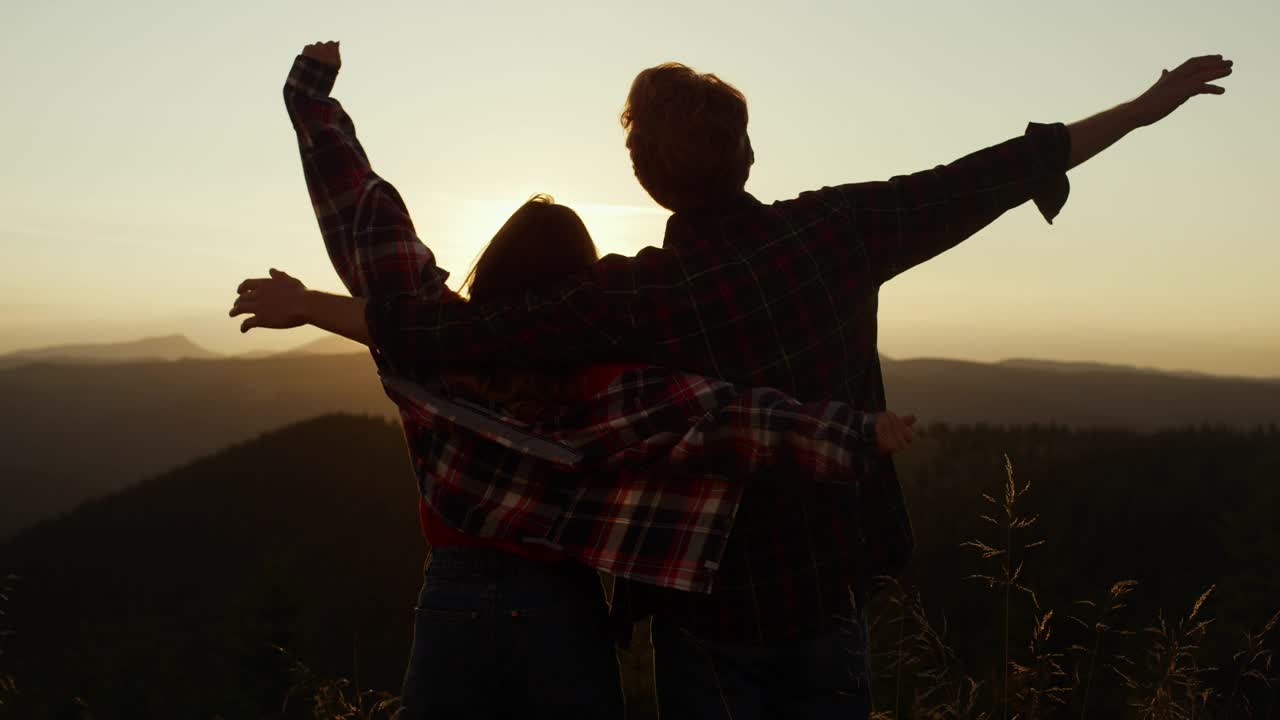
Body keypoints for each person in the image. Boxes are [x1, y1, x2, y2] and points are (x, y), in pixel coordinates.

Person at [239, 49, 1233, 718]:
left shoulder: (631, 297)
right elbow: (986, 175)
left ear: (644, 175)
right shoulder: (832, 233)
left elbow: (449, 333)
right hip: (825, 595)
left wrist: (313, 305)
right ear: (745, 151)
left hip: (705, 618)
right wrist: (1144, 108)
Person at [238, 41, 922, 719]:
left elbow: (370, 226)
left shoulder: (439, 349)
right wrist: (856, 432)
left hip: (452, 599)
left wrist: (312, 100)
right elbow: (727, 419)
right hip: (562, 607)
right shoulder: (608, 385)